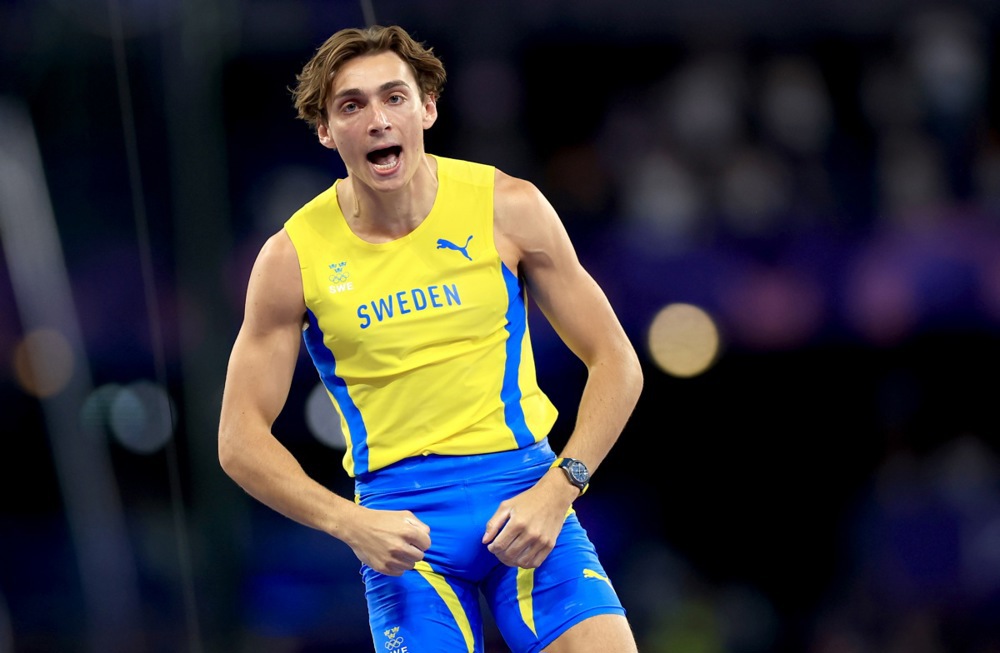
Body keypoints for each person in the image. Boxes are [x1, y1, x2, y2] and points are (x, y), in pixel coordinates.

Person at [218, 23, 644, 653]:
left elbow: (617, 361)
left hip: (527, 496)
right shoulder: (291, 258)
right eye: (351, 105)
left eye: (394, 97)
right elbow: (239, 441)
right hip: (402, 531)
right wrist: (349, 522)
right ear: (326, 131)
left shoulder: (508, 206)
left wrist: (560, 488)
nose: (378, 120)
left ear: (427, 108)